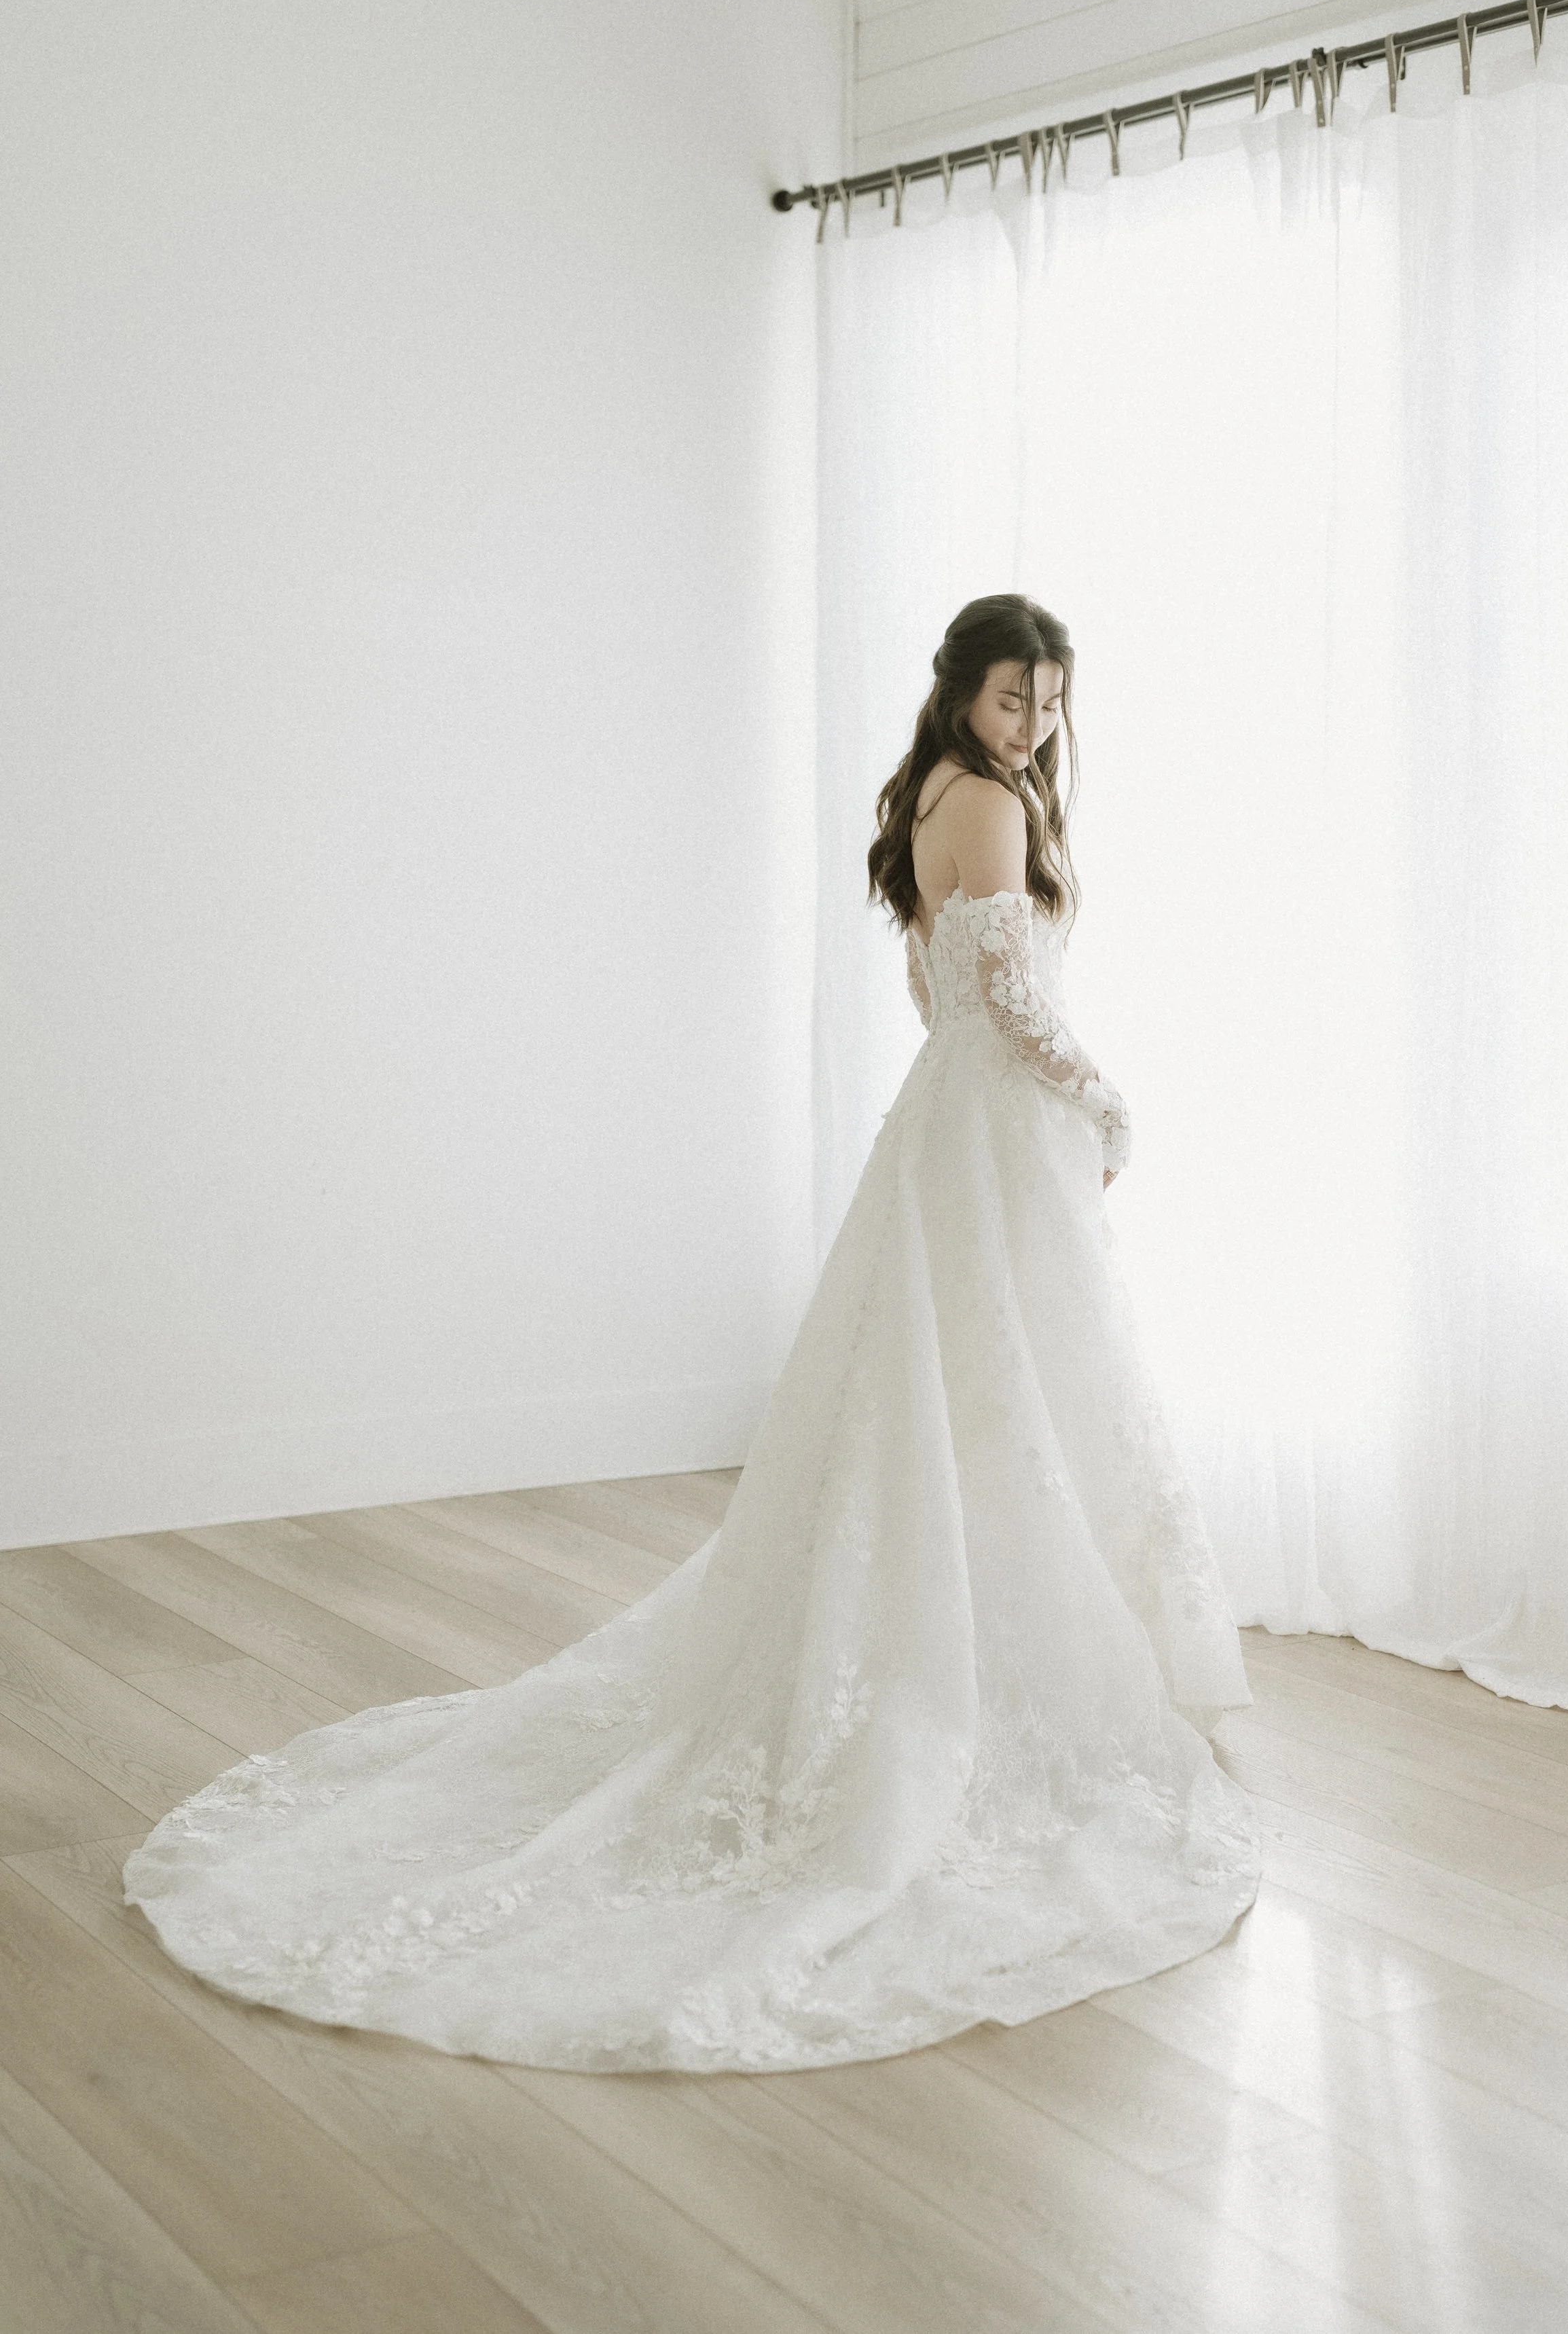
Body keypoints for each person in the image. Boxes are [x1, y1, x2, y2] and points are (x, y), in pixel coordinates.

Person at [123, 592, 1259, 2073]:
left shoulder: (937, 793)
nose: (1034, 722)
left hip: (962, 1127)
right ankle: (974, 1680)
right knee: (1002, 1396)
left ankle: (956, 1647)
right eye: (1011, 696)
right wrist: (1103, 1100)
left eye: (1049, 699)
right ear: (961, 693)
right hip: (996, 1128)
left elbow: (935, 995)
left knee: (970, 1401)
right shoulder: (984, 802)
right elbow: (998, 998)